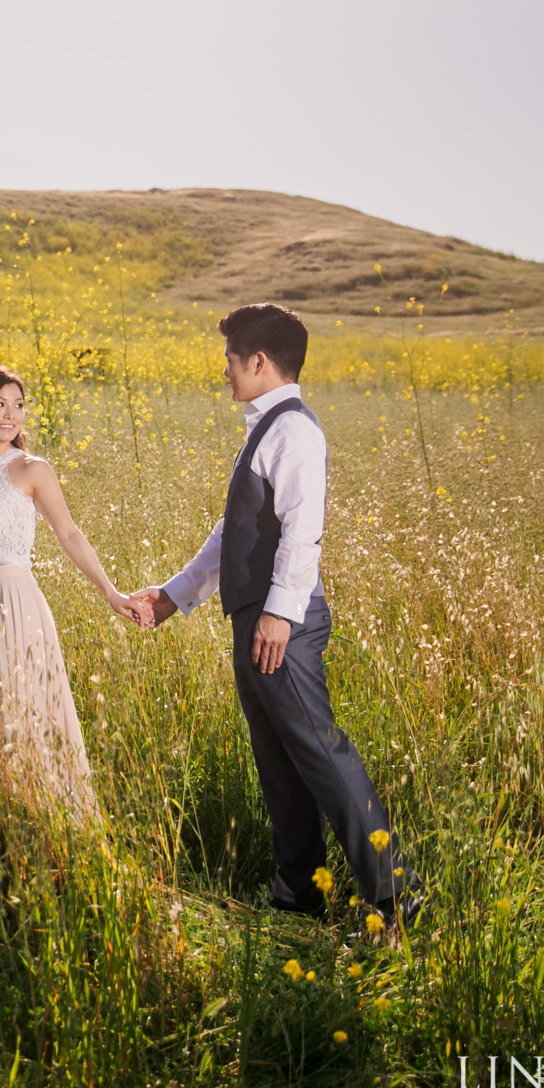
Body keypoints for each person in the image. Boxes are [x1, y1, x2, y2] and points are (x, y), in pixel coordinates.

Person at [132, 304, 417, 933]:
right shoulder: (264, 427)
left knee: (322, 754)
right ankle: (298, 897)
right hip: (256, 622)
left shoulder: (293, 431)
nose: (225, 372)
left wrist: (279, 616)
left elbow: (302, 531)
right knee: (280, 764)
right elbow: (234, 533)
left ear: (259, 362)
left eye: (231, 361)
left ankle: (399, 900)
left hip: (277, 625)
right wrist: (173, 597)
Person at [0, 364, 145, 823]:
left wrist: (111, 592)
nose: (11, 416)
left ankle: (52, 822)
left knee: (23, 712)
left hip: (14, 604)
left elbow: (69, 533)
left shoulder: (31, 469)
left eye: (19, 405)